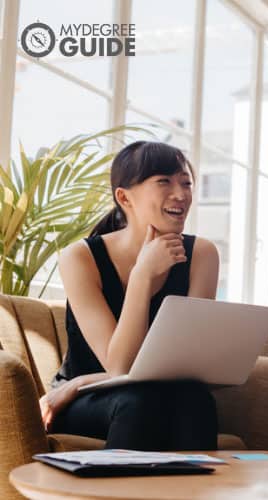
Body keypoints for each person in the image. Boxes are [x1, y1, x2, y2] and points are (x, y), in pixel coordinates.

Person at [39, 141, 221, 451]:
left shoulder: (202, 254)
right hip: (88, 402)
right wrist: (142, 276)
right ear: (124, 197)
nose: (181, 194)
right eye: (164, 181)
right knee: (139, 402)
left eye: (186, 182)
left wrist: (80, 380)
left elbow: (186, 363)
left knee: (196, 399)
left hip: (91, 387)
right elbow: (120, 365)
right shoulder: (80, 258)